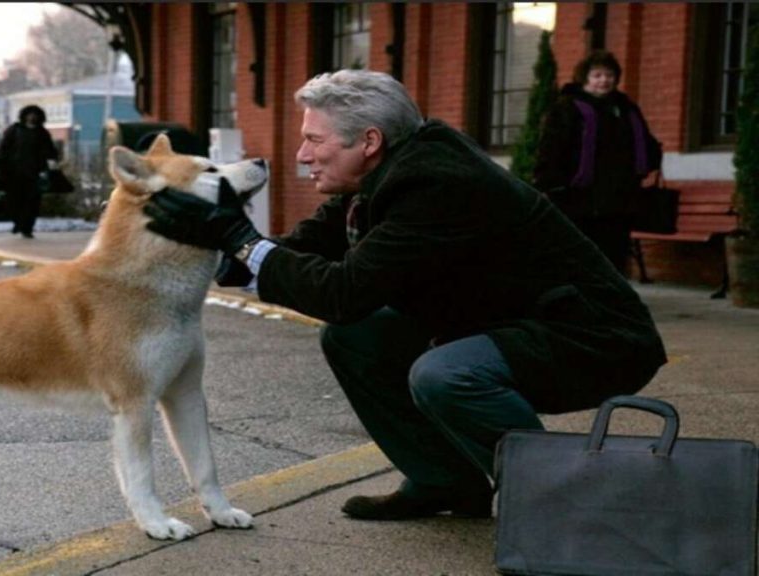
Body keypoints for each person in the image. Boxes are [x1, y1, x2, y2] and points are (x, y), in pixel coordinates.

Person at [142, 70, 667, 520]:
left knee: (444, 374)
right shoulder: (386, 174)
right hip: (516, 322)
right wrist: (212, 245)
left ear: (368, 141)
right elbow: (301, 253)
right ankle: (446, 481)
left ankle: (559, 504)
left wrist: (236, 237)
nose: (302, 155)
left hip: (592, 337)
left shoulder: (436, 185)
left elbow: (344, 290)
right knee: (354, 337)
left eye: (315, 141)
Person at [534, 50, 663, 272]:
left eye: (609, 75)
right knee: (582, 253)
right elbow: (551, 149)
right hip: (579, 199)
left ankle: (613, 299)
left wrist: (649, 162)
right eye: (597, 75)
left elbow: (647, 143)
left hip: (620, 199)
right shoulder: (568, 108)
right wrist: (551, 184)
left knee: (615, 254)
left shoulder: (626, 109)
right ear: (585, 78)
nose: (604, 80)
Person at [0, 105, 59, 238]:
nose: (32, 117)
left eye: (35, 115)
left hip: (35, 173)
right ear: (24, 116)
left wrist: (50, 161)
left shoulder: (42, 133)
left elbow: (51, 151)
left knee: (32, 202)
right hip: (14, 173)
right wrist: (0, 166)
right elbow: (3, 149)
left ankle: (27, 228)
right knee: (14, 200)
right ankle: (18, 222)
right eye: (30, 114)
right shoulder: (14, 130)